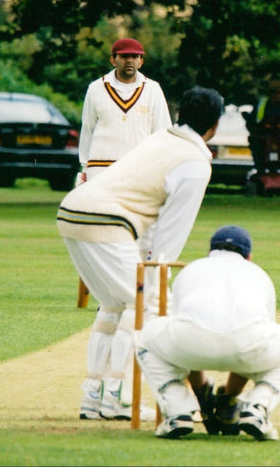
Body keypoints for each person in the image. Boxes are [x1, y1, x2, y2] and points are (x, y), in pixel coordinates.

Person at [57, 86, 224, 421]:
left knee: (117, 304)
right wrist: (156, 275)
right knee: (145, 304)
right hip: (108, 220)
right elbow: (171, 232)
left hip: (72, 210)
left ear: (180, 115)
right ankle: (118, 399)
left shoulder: (161, 139)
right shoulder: (194, 163)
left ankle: (94, 396)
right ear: (215, 126)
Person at [135, 225, 280, 440]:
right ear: (248, 256)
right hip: (247, 346)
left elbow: (184, 327)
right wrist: (229, 398)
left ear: (210, 252)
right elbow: (256, 333)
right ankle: (256, 407)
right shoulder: (259, 274)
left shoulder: (191, 269)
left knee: (145, 338)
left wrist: (200, 388)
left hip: (190, 346)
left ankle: (177, 411)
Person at [78, 37, 172, 183]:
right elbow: (88, 129)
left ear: (141, 62)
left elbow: (162, 131)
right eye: (124, 56)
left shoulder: (153, 89)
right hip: (101, 168)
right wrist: (85, 166)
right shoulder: (95, 88)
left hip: (140, 167)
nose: (129, 60)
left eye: (134, 56)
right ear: (113, 60)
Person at [244, 79, 280, 183]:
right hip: (263, 137)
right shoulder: (261, 106)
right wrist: (257, 134)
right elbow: (250, 123)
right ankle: (260, 171)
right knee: (255, 143)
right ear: (273, 94)